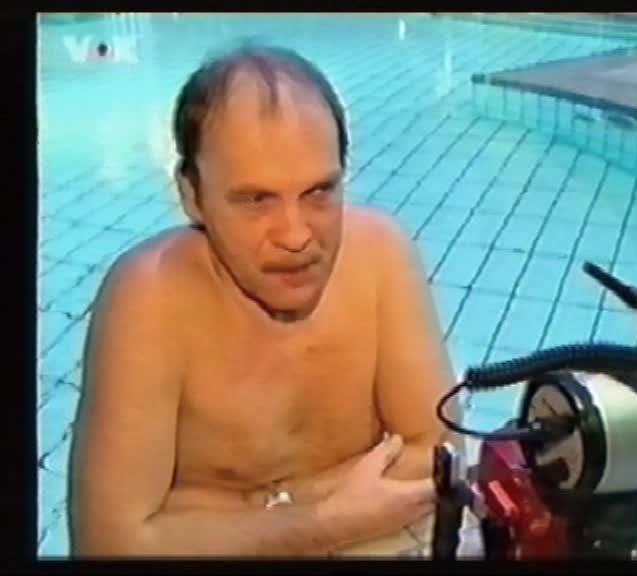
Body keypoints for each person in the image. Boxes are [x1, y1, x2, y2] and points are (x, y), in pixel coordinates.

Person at [69, 44, 460, 557]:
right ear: (192, 195)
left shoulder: (382, 255)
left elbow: (440, 457)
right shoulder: (150, 298)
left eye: (319, 192)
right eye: (256, 200)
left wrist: (227, 514)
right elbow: (109, 544)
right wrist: (327, 520)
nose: (296, 236)